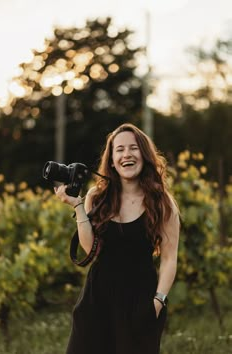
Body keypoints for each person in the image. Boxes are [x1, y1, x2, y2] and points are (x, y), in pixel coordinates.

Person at [54, 123, 180, 354]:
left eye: (134, 148)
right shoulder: (97, 197)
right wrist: (78, 207)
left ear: (144, 155)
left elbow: (170, 258)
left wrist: (158, 301)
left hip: (140, 300)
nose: (127, 154)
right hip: (97, 298)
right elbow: (91, 249)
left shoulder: (163, 203)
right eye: (119, 149)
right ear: (112, 160)